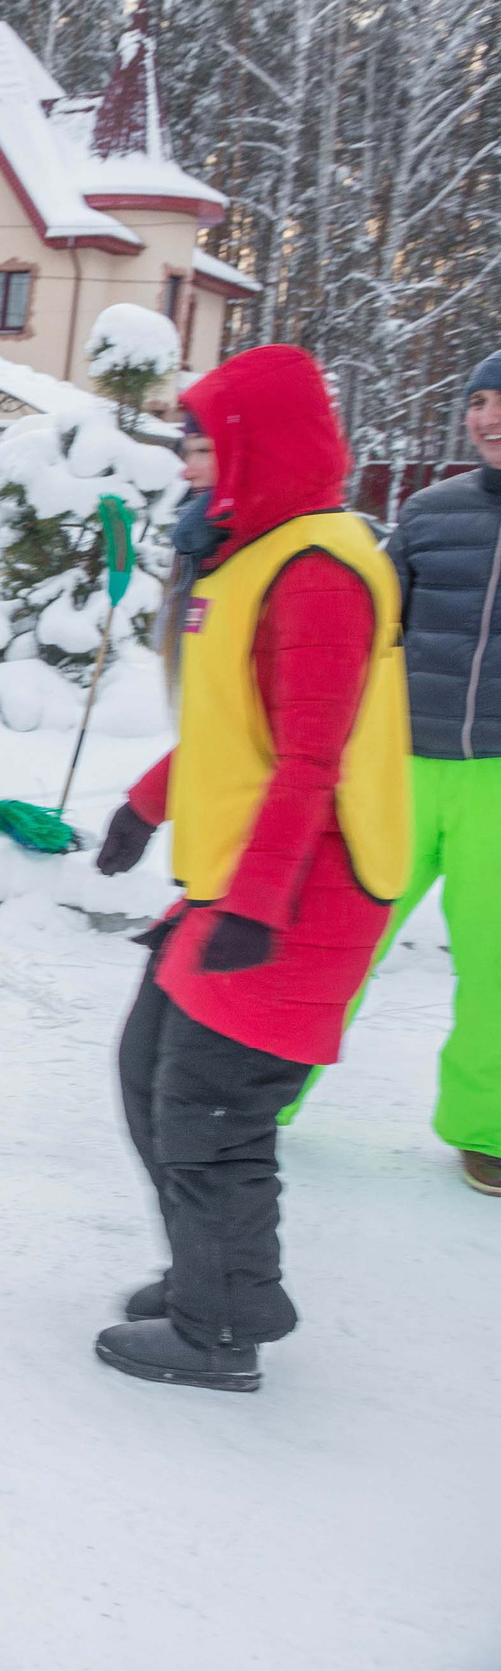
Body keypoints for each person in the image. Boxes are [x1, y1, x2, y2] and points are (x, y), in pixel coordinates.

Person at [92, 345, 413, 1392]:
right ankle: (211, 1275)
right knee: (151, 1072)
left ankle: (219, 1329)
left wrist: (260, 906)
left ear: (249, 448)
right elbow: (242, 728)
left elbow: (312, 759)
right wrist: (147, 806)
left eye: (199, 444)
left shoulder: (317, 568)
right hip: (238, 883)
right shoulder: (257, 552)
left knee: (210, 1109)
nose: (185, 464)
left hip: (301, 892)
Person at [361, 348, 501, 1197]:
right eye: (479, 402)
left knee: (496, 967)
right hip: (403, 768)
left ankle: (486, 1126)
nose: (487, 417)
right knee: (343, 936)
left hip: (498, 781)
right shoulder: (427, 512)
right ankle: (264, 1096)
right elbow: (367, 620)